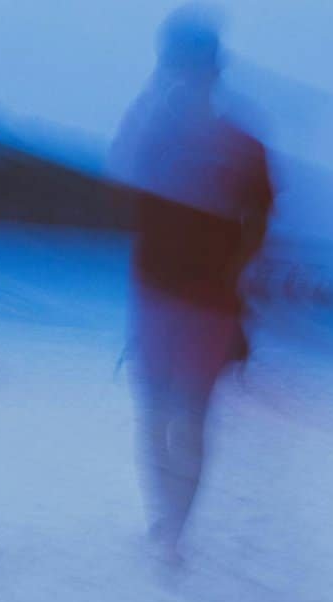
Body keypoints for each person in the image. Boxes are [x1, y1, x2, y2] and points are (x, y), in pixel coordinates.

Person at [108, 5, 274, 565]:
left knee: (191, 418)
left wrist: (235, 273)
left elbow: (261, 221)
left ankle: (176, 529)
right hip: (155, 294)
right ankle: (166, 520)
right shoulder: (153, 126)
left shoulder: (241, 141)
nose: (185, 75)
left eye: (192, 65)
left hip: (208, 304)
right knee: (156, 416)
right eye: (175, 65)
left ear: (214, 70)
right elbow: (122, 170)